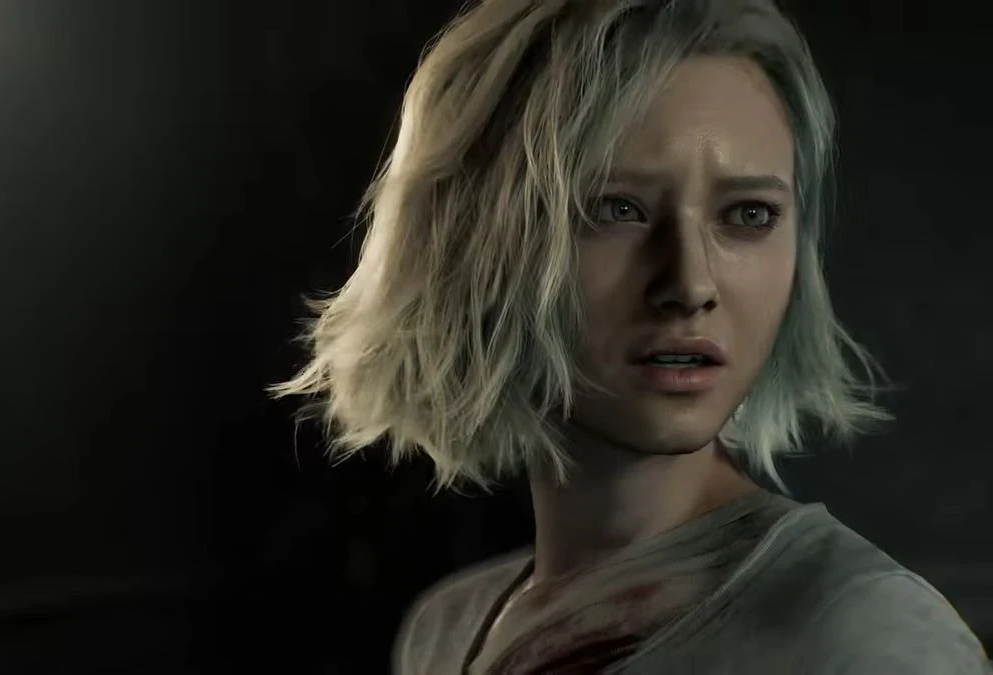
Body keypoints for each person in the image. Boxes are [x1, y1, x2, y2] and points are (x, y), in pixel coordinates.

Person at [270, 0, 991, 672]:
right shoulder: (444, 630)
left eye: (748, 214)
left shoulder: (863, 636)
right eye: (617, 208)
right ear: (474, 238)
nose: (690, 283)